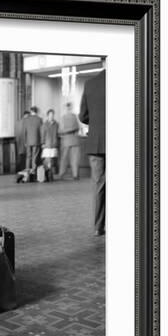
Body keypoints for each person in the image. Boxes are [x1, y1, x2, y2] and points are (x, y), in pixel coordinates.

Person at [79, 69, 106, 236]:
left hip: (96, 143)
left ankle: (98, 226)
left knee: (99, 185)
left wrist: (96, 123)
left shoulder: (90, 83)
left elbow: (83, 115)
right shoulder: (128, 79)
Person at [58, 102, 81, 180]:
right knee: (74, 159)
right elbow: (78, 127)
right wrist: (72, 129)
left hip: (66, 141)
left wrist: (67, 131)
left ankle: (62, 174)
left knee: (64, 159)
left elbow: (60, 131)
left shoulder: (63, 118)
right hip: (75, 140)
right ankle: (75, 174)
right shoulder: (75, 116)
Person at [40, 108, 59, 179]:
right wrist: (42, 143)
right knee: (47, 161)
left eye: (53, 115)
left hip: (54, 144)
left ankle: (51, 175)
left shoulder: (56, 124)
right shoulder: (44, 125)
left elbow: (58, 133)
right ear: (47, 116)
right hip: (47, 145)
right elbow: (42, 134)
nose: (52, 116)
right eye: (50, 115)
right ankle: (47, 175)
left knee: (53, 161)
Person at [24, 106, 42, 171]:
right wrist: (42, 141)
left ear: (31, 111)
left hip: (28, 140)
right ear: (36, 111)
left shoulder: (26, 119)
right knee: (35, 155)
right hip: (36, 140)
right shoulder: (39, 119)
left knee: (28, 156)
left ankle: (27, 169)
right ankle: (33, 170)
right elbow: (41, 131)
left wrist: (25, 141)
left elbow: (25, 131)